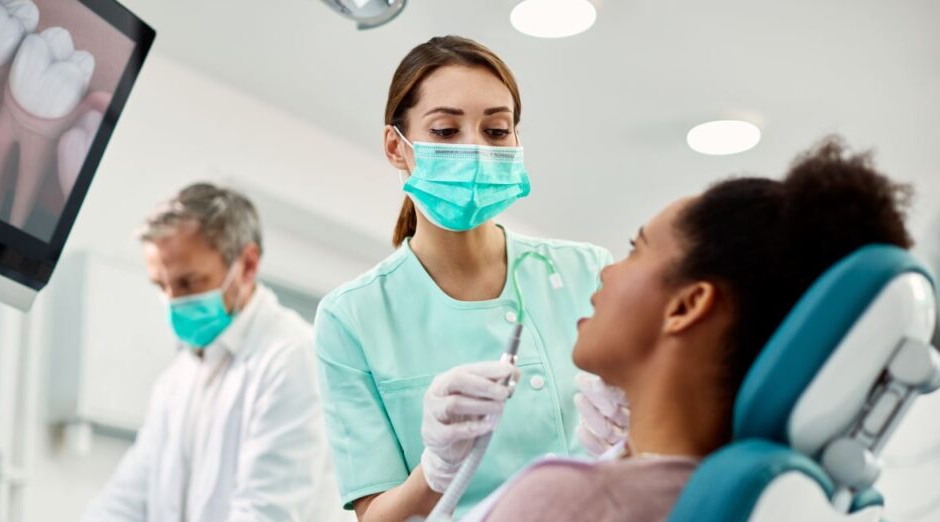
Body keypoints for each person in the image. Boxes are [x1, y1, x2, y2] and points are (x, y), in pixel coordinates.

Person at [474, 137, 916, 521]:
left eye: (635, 249)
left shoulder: (575, 500)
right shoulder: (730, 498)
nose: (607, 273)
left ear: (687, 305)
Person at [314, 35, 628, 521]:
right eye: (444, 131)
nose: (477, 150)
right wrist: (436, 468)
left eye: (497, 130)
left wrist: (639, 430)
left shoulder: (587, 270)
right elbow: (375, 515)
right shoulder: (352, 316)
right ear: (396, 147)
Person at [85, 183, 344, 521]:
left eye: (189, 283)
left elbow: (265, 512)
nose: (173, 301)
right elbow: (126, 498)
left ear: (248, 265)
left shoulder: (291, 358)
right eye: (161, 286)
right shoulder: (176, 380)